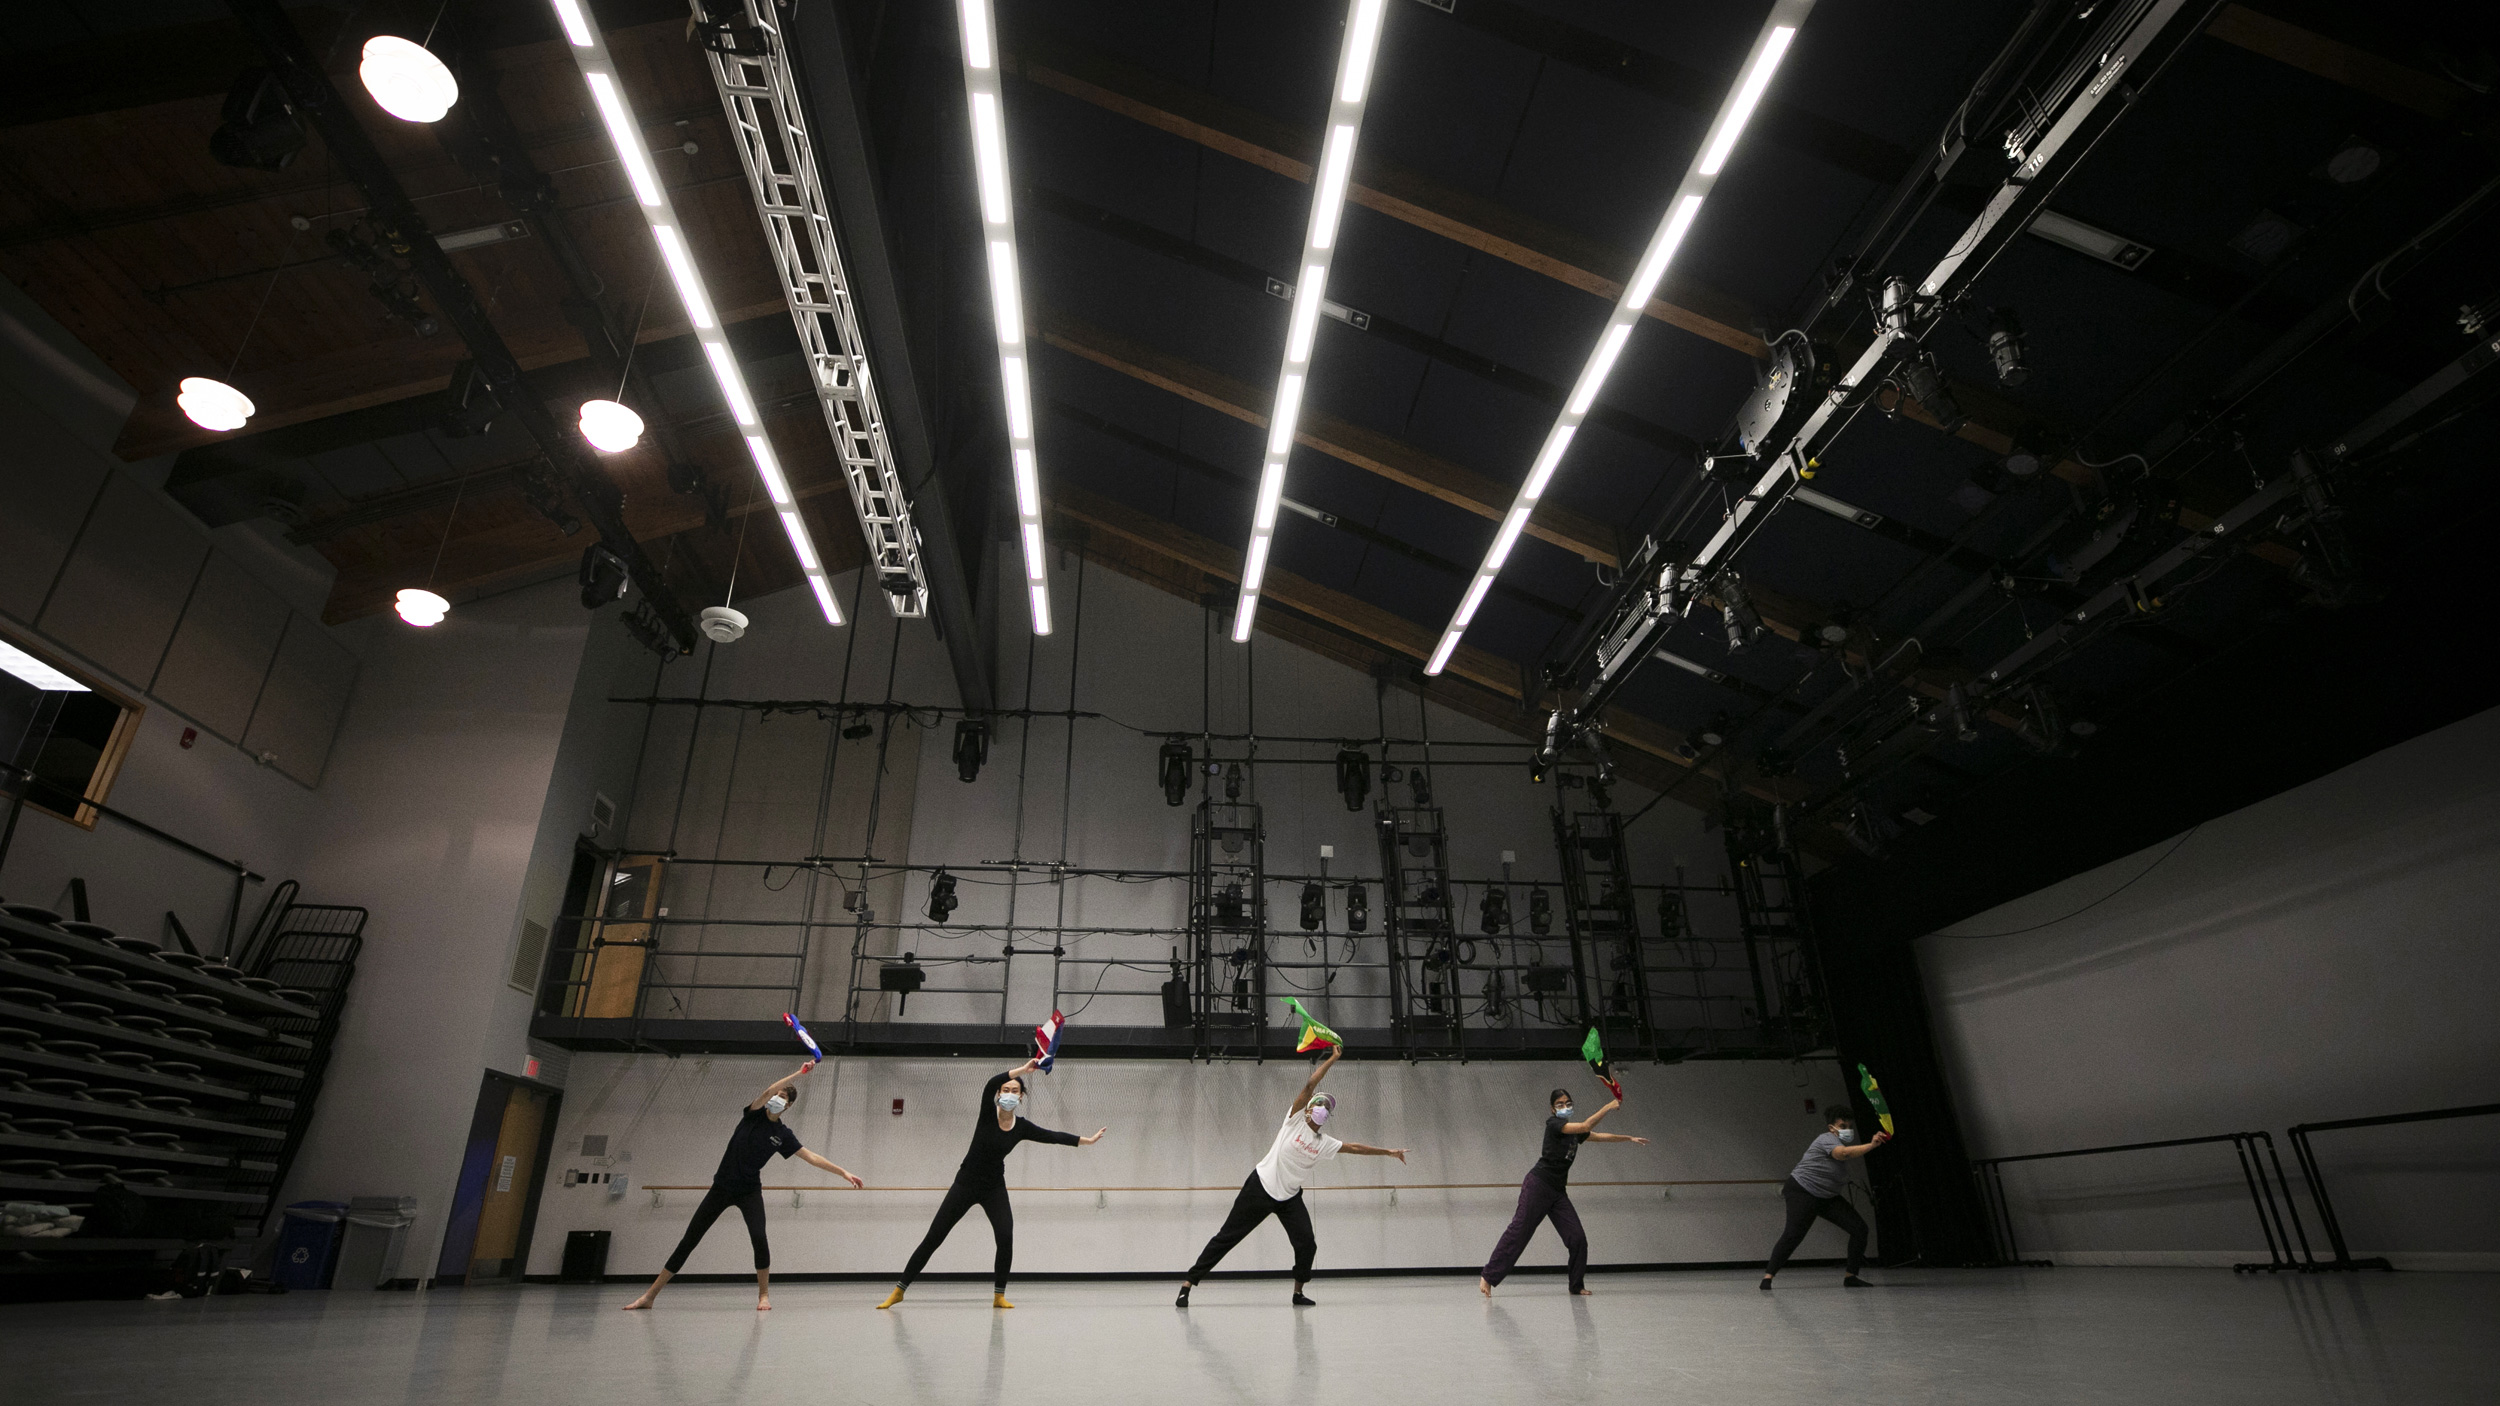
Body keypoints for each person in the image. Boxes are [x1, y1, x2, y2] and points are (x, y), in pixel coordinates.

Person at [1174, 1045, 1410, 1308]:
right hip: (1260, 1187)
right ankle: (1188, 1284)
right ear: (1309, 1109)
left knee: (1307, 1244)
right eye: (1320, 1104)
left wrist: (1388, 1152)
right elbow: (1310, 1085)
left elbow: (1355, 1148)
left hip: (1289, 1198)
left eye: (1327, 1108)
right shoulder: (1294, 1120)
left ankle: (1297, 1293)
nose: (1323, 1108)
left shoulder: (1324, 1142)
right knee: (1227, 1237)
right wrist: (1333, 1058)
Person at [623, 1061, 863, 1311]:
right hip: (721, 1188)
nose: (775, 1097)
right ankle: (649, 1296)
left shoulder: (782, 1135)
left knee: (759, 1237)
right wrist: (799, 1074)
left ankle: (764, 1296)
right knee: (689, 1239)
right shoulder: (753, 1114)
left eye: (782, 1097)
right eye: (776, 1095)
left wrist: (843, 1172)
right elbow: (767, 1090)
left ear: (789, 1105)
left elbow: (811, 1157)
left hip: (749, 1191)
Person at [878, 1057, 1104, 1309]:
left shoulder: (1022, 1127)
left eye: (1014, 1091)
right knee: (934, 1237)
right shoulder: (987, 1114)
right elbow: (989, 1083)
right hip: (965, 1184)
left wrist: (1087, 1140)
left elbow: (1052, 1136)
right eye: (1005, 1090)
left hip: (994, 1187)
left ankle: (999, 1295)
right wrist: (1023, 1070)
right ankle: (900, 1290)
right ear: (998, 1095)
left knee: (1006, 1235)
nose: (1009, 1093)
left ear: (1021, 1098)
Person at [1478, 1087, 1649, 1297]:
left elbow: (1599, 1135)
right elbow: (1587, 1125)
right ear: (1552, 1109)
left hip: (1558, 1192)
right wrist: (1608, 1106)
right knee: (1519, 1232)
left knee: (1577, 1238)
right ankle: (1488, 1276)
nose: (1565, 1107)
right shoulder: (1554, 1124)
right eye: (1560, 1104)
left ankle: (1576, 1286)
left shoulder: (1577, 1135)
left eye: (1568, 1103)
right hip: (1538, 1185)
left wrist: (1628, 1138)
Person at [1760, 1105, 1891, 1290]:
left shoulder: (1839, 1141)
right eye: (1842, 1126)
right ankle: (1767, 1278)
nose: (1847, 1130)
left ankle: (1851, 1277)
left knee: (1859, 1229)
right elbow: (1842, 1154)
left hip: (1827, 1197)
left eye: (1849, 1126)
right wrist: (1871, 1145)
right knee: (1793, 1234)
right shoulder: (1826, 1139)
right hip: (1802, 1191)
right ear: (1832, 1128)